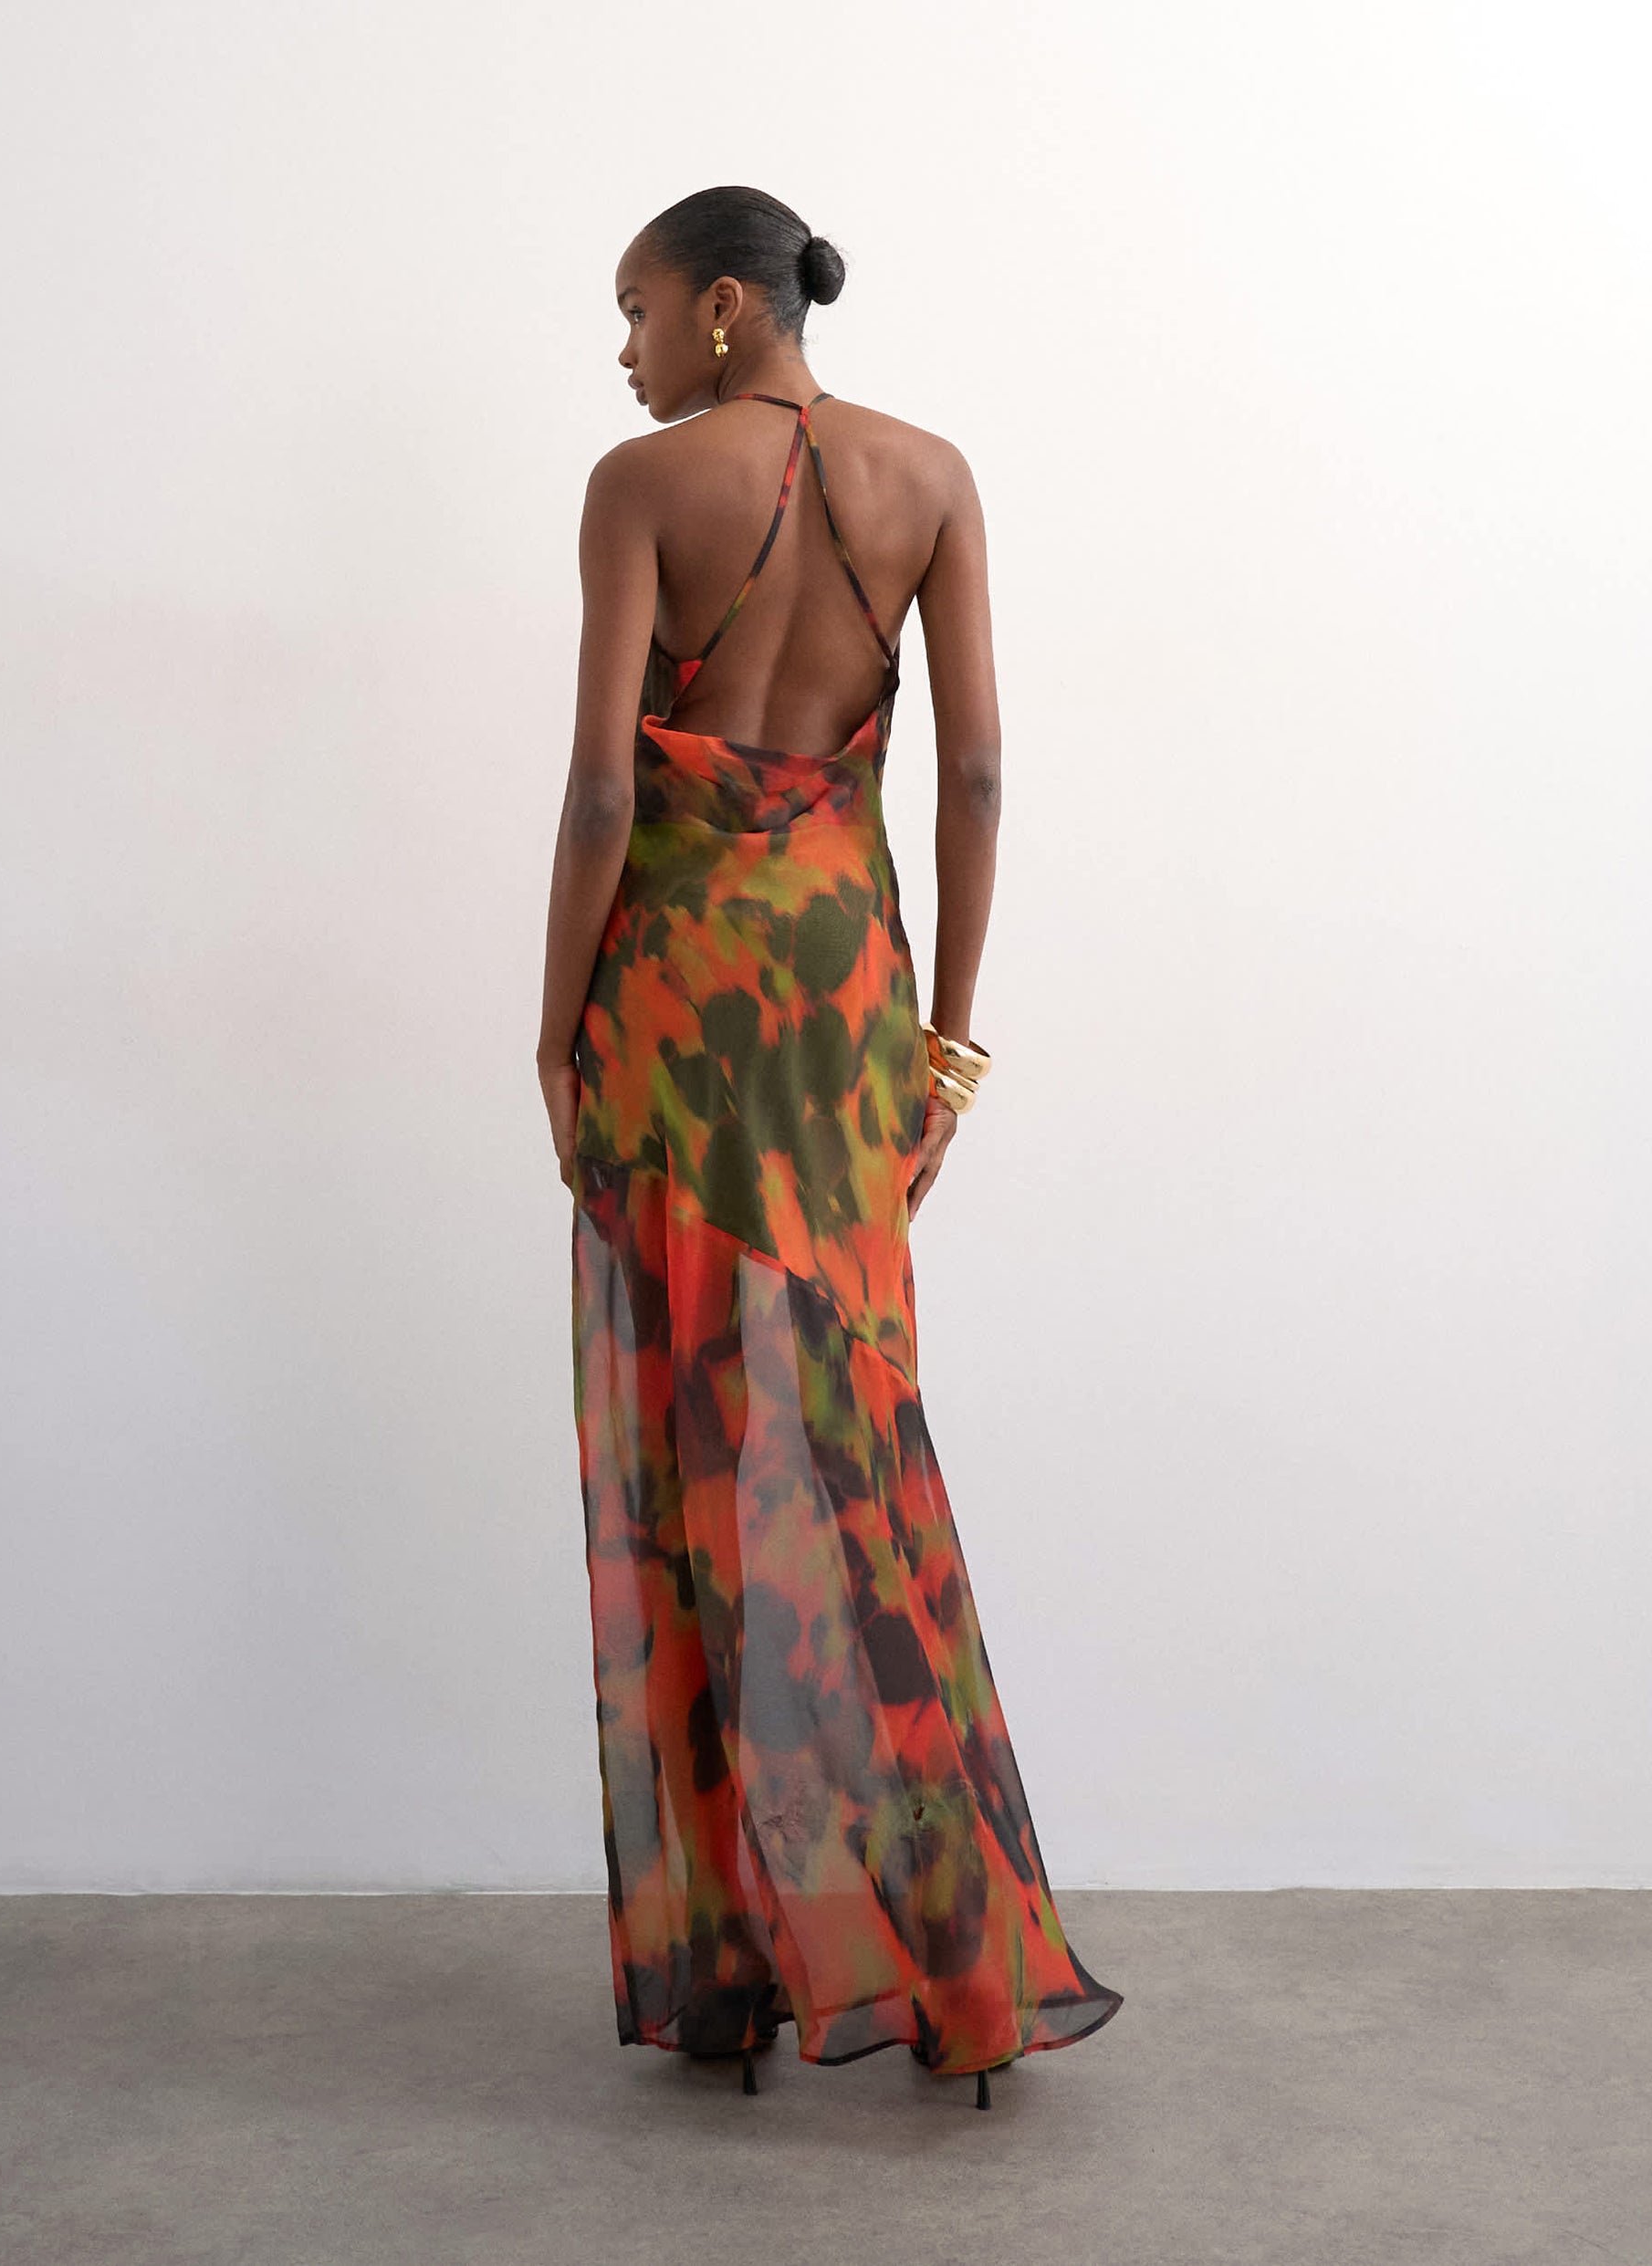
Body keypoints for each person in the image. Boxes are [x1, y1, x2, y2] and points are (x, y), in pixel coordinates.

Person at [536, 185, 1122, 2106]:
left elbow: (603, 788)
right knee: (853, 1434)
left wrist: (551, 1033)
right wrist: (949, 1044)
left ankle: (725, 1973)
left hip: (673, 1007)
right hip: (844, 1002)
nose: (622, 349)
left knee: (688, 1440)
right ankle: (952, 1954)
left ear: (722, 307)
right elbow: (975, 769)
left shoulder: (642, 486)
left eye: (635, 309)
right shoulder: (929, 475)